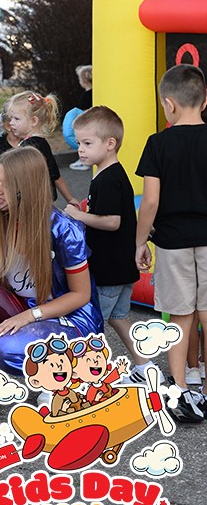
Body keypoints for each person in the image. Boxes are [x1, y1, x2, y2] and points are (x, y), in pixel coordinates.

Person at [0, 147, 103, 412]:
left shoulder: (63, 229)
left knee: (4, 349)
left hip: (70, 320)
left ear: (26, 187)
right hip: (22, 311)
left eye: (6, 183)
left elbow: (81, 295)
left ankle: (66, 377)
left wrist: (29, 316)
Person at [135, 64, 207, 423]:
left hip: (173, 242)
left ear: (169, 105)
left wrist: (139, 241)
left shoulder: (157, 143)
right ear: (205, 100)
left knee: (179, 315)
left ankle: (179, 390)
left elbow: (149, 202)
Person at [63, 106, 157, 380]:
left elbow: (112, 221)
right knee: (118, 318)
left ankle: (86, 377)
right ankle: (146, 367)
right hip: (120, 265)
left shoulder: (107, 180)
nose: (80, 149)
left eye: (87, 143)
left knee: (91, 325)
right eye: (79, 143)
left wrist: (78, 215)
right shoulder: (110, 175)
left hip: (109, 269)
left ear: (110, 144)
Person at [6, 91, 78, 206]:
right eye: (11, 118)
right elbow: (55, 174)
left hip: (34, 202)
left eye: (16, 119)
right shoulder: (40, 143)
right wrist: (69, 198)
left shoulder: (30, 147)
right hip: (42, 199)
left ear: (34, 121)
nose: (11, 123)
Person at [66, 65, 93, 171]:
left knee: (84, 141)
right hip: (95, 121)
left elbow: (84, 111)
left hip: (87, 123)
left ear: (84, 80)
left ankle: (84, 162)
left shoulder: (85, 96)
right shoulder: (96, 92)